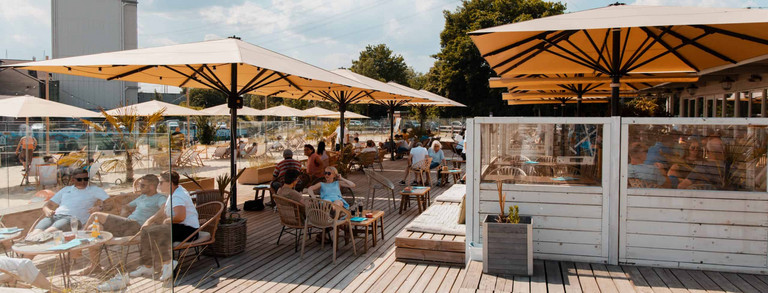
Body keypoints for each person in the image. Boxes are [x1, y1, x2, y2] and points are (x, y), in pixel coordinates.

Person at [79, 174, 166, 275]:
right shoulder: (142, 197)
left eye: (143, 185)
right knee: (94, 228)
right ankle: (95, 266)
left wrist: (150, 220)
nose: (139, 187)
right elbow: (126, 206)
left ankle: (79, 244)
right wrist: (123, 215)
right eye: (139, 185)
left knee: (95, 215)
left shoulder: (159, 198)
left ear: (151, 187)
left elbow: (164, 208)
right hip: (126, 225)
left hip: (137, 227)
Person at [130, 171, 199, 282]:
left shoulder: (177, 196)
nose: (159, 185)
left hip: (189, 231)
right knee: (148, 230)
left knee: (155, 232)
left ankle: (167, 264)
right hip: (179, 228)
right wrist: (149, 220)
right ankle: (149, 266)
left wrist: (167, 220)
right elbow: (162, 212)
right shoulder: (174, 192)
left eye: (161, 182)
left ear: (170, 183)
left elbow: (180, 217)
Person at [27, 168, 109, 239]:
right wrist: (46, 210)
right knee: (34, 234)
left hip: (72, 219)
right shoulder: (66, 189)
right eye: (80, 179)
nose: (83, 181)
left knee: (47, 233)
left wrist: (100, 208)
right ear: (73, 180)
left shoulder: (94, 190)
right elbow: (49, 204)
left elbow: (111, 202)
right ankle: (24, 256)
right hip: (55, 216)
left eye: (86, 179)